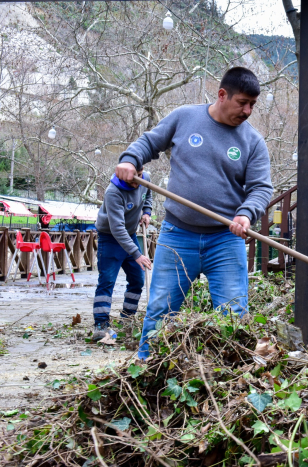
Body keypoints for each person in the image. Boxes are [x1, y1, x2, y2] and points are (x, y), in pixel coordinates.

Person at [115, 67, 273, 359]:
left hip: (225, 241)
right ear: (222, 95)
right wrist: (130, 159)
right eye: (242, 103)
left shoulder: (253, 142)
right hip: (177, 235)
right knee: (160, 310)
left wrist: (246, 214)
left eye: (252, 104)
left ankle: (232, 374)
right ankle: (146, 366)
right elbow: (149, 142)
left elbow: (261, 188)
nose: (248, 111)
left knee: (234, 315)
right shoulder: (184, 118)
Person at [92, 166, 153, 342]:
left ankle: (127, 318)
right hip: (110, 237)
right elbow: (117, 228)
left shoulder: (145, 178)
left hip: (130, 234)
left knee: (137, 279)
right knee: (107, 281)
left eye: (139, 176)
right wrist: (137, 254)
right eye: (133, 178)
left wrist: (147, 212)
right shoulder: (113, 192)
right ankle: (101, 324)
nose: (137, 181)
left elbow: (148, 195)